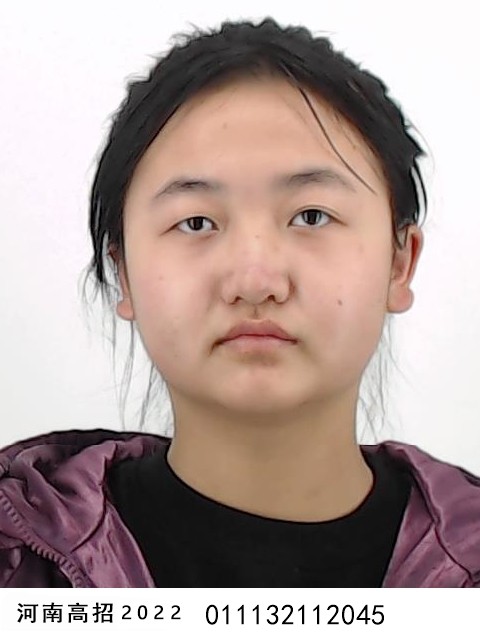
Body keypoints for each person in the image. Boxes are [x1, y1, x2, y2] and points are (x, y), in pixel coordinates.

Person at [0, 17, 479, 589]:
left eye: (311, 216)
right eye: (196, 222)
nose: (255, 281)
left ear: (400, 262)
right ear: (122, 272)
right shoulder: (20, 559)